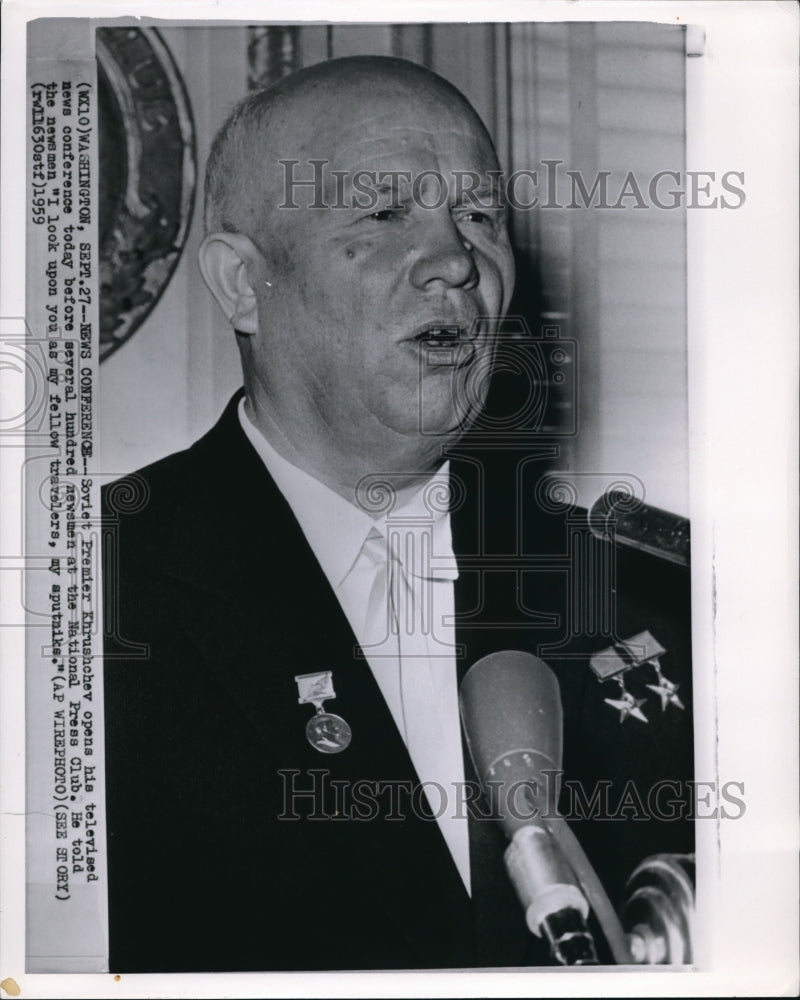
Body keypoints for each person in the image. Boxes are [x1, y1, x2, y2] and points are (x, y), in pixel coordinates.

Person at [102, 55, 694, 973]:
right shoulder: (90, 600)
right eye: (384, 212)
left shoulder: (649, 587)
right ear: (241, 282)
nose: (458, 258)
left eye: (479, 215)